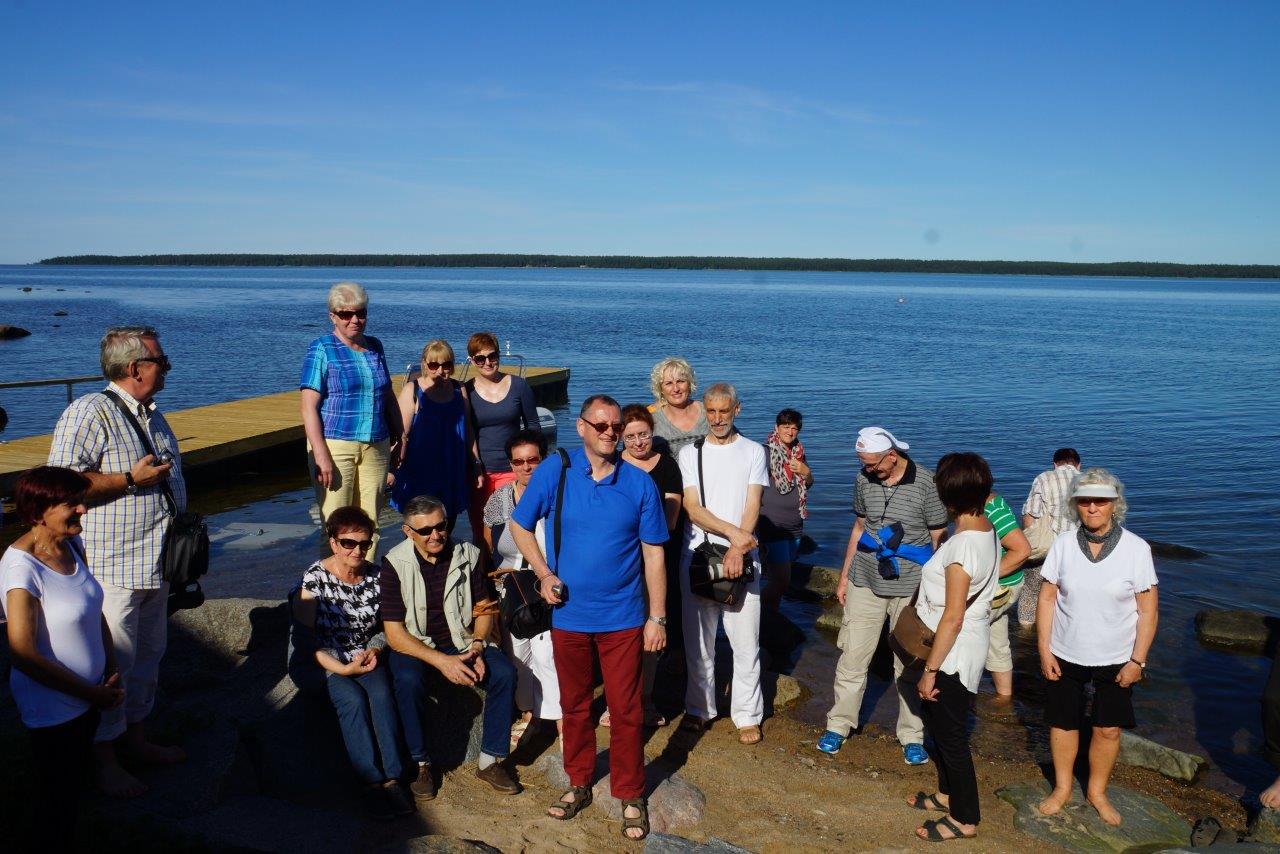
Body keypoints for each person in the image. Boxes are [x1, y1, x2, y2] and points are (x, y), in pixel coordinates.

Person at [509, 394, 669, 842]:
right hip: (569, 616)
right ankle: (579, 782)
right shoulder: (555, 471)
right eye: (600, 425)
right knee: (575, 706)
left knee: (626, 709)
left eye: (616, 426)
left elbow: (654, 554)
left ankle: (630, 792)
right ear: (581, 427)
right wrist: (543, 573)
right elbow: (520, 525)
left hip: (624, 617)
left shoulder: (638, 483)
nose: (610, 433)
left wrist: (657, 617)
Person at [47, 325, 187, 797]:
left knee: (148, 657)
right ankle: (104, 759)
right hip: (114, 566)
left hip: (157, 563)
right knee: (114, 664)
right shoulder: (90, 411)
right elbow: (61, 482)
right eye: (161, 361)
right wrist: (128, 479)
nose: (167, 368)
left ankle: (136, 740)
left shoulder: (153, 415)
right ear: (135, 368)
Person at [1, 466, 122, 850]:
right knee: (55, 799)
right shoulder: (21, 568)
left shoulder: (71, 544)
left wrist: (111, 668)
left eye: (81, 501)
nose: (83, 509)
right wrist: (91, 693)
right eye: (72, 504)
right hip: (54, 708)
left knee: (72, 790)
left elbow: (93, 611)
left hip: (88, 697)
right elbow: (22, 653)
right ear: (39, 513)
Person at [818, 426, 948, 765]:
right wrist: (844, 577)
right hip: (865, 579)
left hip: (911, 588)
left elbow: (939, 536)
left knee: (909, 663)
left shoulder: (927, 483)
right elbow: (859, 528)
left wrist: (935, 589)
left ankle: (912, 735)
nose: (867, 469)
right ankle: (839, 724)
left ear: (892, 456)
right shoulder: (863, 479)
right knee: (852, 658)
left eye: (872, 463)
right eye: (862, 462)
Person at [1036, 468, 1157, 827]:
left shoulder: (1137, 549)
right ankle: (1062, 788)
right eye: (1085, 500)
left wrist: (1138, 661)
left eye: (1100, 501)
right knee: (1063, 723)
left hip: (1117, 657)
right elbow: (1047, 599)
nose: (1092, 508)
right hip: (1064, 651)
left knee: (1108, 729)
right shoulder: (1062, 545)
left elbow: (1148, 611)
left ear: (1114, 504)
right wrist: (1044, 650)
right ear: (1075, 504)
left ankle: (1097, 792)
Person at [381, 495, 518, 799]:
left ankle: (490, 760)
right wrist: (443, 662)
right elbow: (394, 634)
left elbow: (484, 608)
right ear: (407, 532)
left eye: (441, 526)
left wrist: (478, 645)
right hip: (417, 643)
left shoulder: (468, 554)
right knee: (407, 680)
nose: (435, 535)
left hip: (462, 638)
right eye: (425, 530)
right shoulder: (393, 564)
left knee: (505, 674)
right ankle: (421, 763)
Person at [291, 506, 412, 819]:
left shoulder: (378, 576)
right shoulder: (314, 579)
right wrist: (342, 669)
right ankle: (370, 781)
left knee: (382, 696)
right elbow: (304, 642)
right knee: (352, 700)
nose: (357, 550)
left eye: (364, 543)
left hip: (362, 653)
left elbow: (388, 627)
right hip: (320, 659)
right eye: (348, 543)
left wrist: (376, 648)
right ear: (333, 542)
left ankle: (393, 778)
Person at [906, 452, 1001, 842]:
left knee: (951, 736)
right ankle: (947, 794)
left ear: (947, 496)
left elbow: (954, 616)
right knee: (940, 725)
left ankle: (965, 818)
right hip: (962, 645)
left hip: (953, 653)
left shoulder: (962, 547)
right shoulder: (985, 529)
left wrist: (930, 671)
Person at [678, 382, 769, 745]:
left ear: (737, 410)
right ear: (705, 411)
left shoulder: (753, 451)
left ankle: (747, 714)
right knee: (698, 643)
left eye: (724, 411)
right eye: (712, 411)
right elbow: (693, 508)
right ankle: (700, 708)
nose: (717, 419)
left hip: (742, 559)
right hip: (700, 555)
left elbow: (753, 503)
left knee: (745, 643)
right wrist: (735, 538)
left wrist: (738, 550)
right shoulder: (690, 453)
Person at [300, 282, 403, 552]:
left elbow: (387, 395)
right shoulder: (321, 348)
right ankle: (331, 577)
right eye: (346, 314)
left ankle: (366, 576)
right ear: (333, 316)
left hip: (376, 445)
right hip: (335, 445)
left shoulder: (375, 346)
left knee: (371, 524)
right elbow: (308, 407)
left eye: (360, 313)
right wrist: (320, 455)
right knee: (335, 523)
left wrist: (401, 435)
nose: (355, 320)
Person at [482, 429, 561, 744]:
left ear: (544, 459)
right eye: (519, 462)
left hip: (548, 582)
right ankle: (529, 713)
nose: (526, 467)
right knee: (518, 655)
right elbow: (490, 543)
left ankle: (560, 720)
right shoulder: (499, 499)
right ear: (511, 464)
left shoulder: (557, 495)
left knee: (547, 654)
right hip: (512, 586)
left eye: (533, 460)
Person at [619, 403, 685, 728]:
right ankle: (618, 701)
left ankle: (645, 700)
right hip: (619, 561)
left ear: (652, 432)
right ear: (621, 437)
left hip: (655, 559)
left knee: (649, 629)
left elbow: (670, 520)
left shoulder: (667, 466)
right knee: (619, 634)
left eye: (643, 434)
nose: (638, 442)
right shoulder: (613, 465)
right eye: (630, 436)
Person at [391, 339, 478, 530]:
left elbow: (468, 429)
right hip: (420, 473)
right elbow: (400, 434)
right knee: (419, 529)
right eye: (433, 365)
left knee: (445, 528)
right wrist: (390, 469)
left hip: (451, 470)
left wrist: (476, 464)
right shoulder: (412, 390)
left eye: (446, 365)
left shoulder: (459, 389)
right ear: (424, 364)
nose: (440, 370)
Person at [465, 331, 541, 540]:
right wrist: (473, 466)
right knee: (481, 532)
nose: (488, 362)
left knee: (516, 530)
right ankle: (483, 562)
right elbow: (466, 432)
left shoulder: (519, 386)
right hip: (481, 474)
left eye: (492, 356)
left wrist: (535, 462)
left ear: (498, 355)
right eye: (480, 358)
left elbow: (533, 426)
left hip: (514, 470)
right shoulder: (466, 391)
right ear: (472, 360)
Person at [1017, 447, 1082, 627]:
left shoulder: (1044, 478)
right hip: (1079, 551)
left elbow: (1030, 515)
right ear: (1078, 465)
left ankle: (1025, 633)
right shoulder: (1087, 480)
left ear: (1055, 464)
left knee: (1031, 591)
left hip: (1048, 549)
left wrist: (1031, 541)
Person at [759, 408, 814, 611]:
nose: (790, 432)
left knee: (779, 579)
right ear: (777, 427)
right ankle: (759, 614)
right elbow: (751, 487)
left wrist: (807, 472)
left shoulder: (798, 452)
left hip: (795, 524)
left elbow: (808, 484)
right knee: (781, 580)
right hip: (773, 525)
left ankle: (772, 615)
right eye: (786, 427)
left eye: (794, 428)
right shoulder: (765, 452)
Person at [983, 491, 1031, 697]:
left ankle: (955, 695)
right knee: (997, 640)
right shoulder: (990, 505)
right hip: (1001, 587)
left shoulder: (992, 509)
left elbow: (1022, 550)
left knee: (956, 633)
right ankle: (1004, 697)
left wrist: (984, 577)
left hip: (999, 587)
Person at [649, 357, 708, 459]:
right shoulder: (652, 421)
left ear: (689, 383)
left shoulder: (708, 412)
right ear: (661, 389)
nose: (676, 389)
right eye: (669, 383)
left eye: (680, 381)